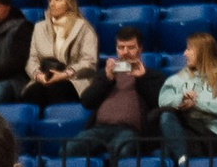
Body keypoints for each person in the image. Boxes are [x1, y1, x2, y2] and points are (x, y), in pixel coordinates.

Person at [64, 28, 162, 159]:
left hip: (129, 131)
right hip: (99, 129)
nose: (125, 52)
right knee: (70, 148)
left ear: (140, 49)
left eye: (131, 47)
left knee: (122, 150)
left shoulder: (152, 76)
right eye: (121, 47)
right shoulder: (105, 75)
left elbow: (158, 102)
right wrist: (107, 79)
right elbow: (87, 102)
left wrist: (142, 78)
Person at [157, 32, 217, 160]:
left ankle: (183, 160)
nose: (184, 54)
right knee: (166, 117)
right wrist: (182, 99)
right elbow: (163, 101)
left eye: (189, 49)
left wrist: (196, 102)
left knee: (165, 152)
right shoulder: (179, 78)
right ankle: (184, 160)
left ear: (202, 51)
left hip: (208, 134)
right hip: (182, 129)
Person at [19, 0, 99, 107]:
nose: (52, 4)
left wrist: (64, 74)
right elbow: (32, 59)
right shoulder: (39, 27)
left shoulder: (84, 28)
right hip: (44, 78)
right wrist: (38, 75)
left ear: (69, 3)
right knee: (32, 93)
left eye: (57, 0)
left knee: (57, 90)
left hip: (72, 79)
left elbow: (89, 61)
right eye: (50, 0)